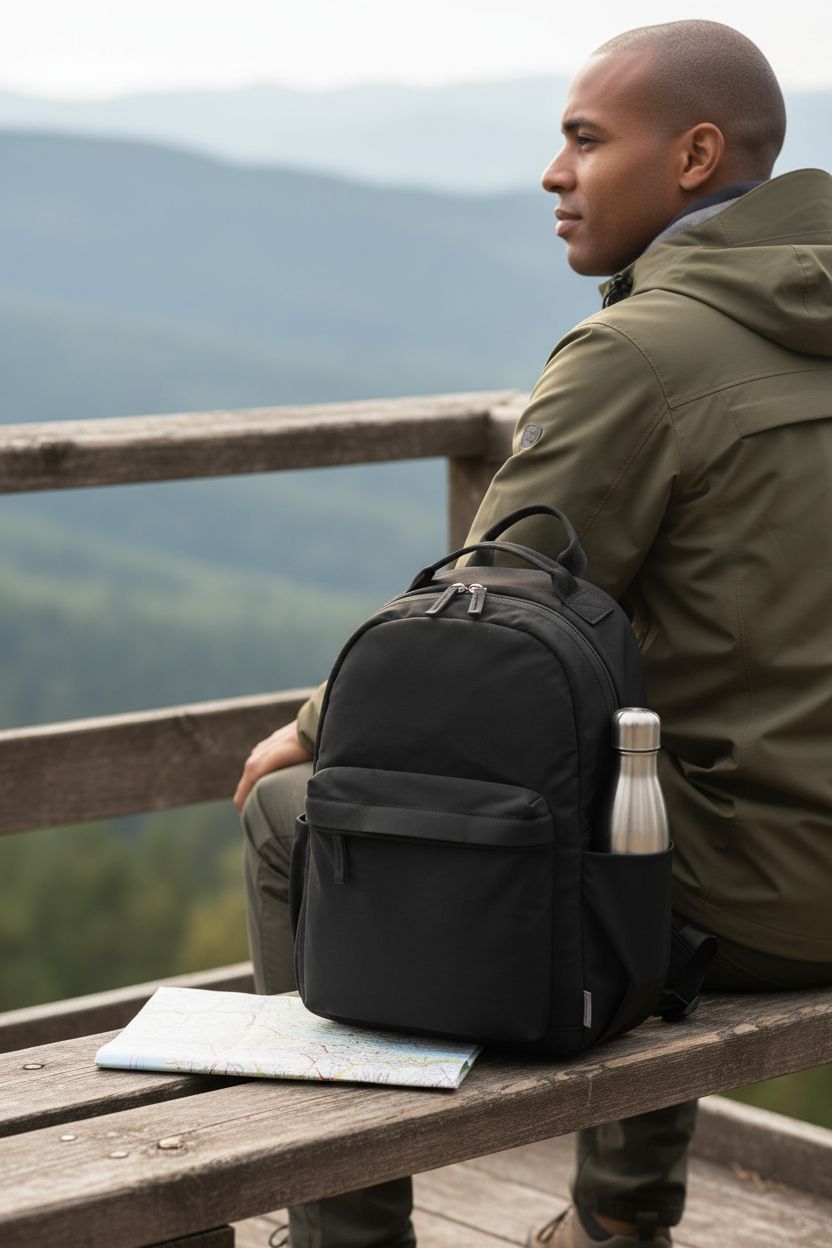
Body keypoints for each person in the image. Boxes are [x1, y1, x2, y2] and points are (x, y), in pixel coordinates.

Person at [236, 19, 832, 1248]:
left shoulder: (640, 355)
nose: (553, 174)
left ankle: (346, 1237)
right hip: (793, 855)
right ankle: (617, 1222)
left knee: (299, 820)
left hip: (764, 903)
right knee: (636, 768)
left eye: (582, 139)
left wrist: (307, 732)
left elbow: (476, 630)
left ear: (694, 155)